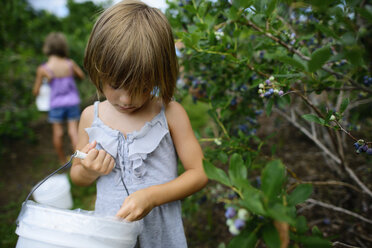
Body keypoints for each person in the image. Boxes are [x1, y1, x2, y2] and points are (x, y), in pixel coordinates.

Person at [70, 1, 208, 247]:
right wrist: (89, 170)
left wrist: (152, 197)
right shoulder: (91, 117)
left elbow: (199, 173)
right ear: (97, 70)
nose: (126, 99)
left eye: (142, 87)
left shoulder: (171, 114)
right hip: (111, 233)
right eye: (115, 85)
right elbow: (77, 176)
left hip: (160, 235)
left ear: (160, 74)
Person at [32, 32, 85, 164]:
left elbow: (36, 91)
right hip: (72, 101)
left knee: (58, 133)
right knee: (73, 132)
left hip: (56, 104)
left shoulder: (43, 69)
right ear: (63, 47)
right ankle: (78, 162)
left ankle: (62, 161)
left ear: (47, 48)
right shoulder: (70, 63)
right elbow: (81, 76)